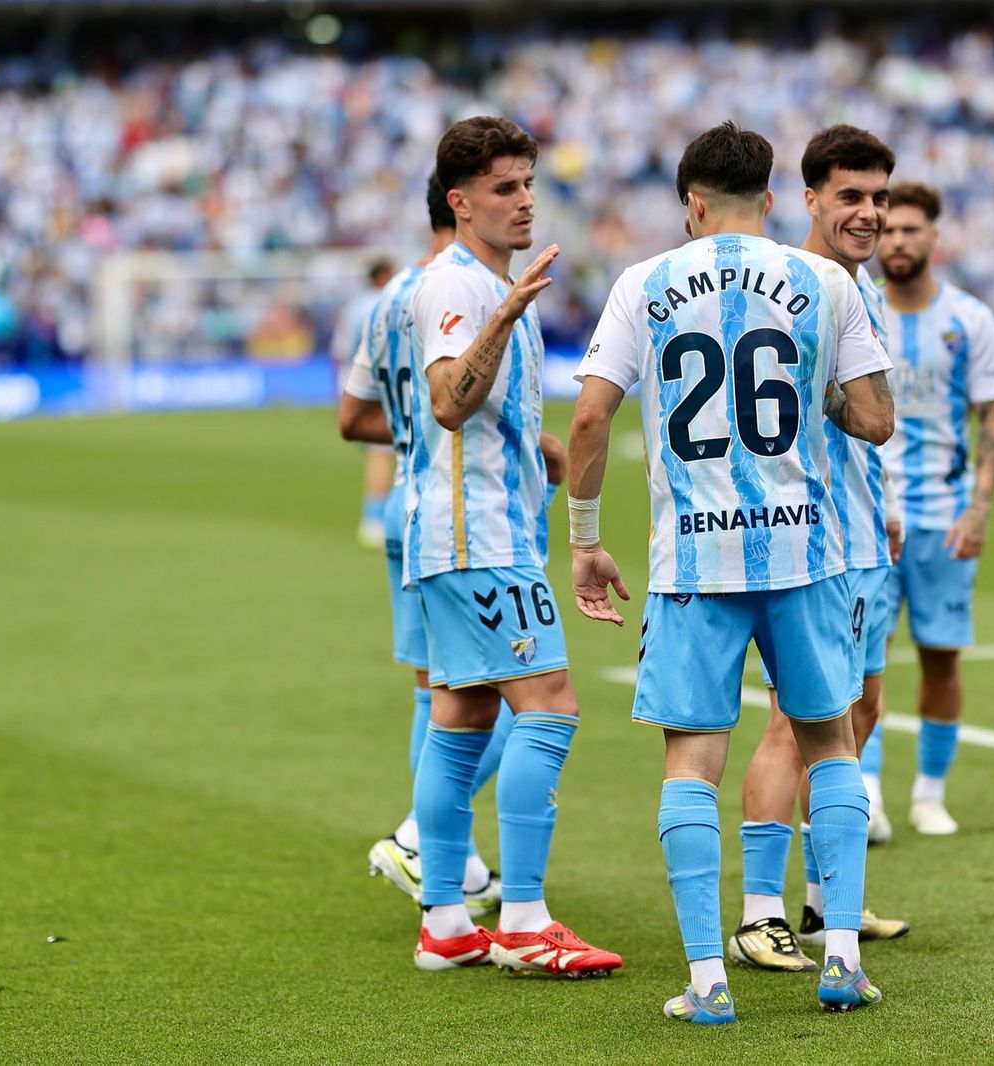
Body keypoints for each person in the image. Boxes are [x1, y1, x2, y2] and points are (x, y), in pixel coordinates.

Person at [566, 121, 895, 1023]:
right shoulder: (822, 280)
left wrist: (586, 538)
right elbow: (874, 418)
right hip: (804, 550)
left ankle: (708, 981)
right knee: (829, 739)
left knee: (691, 760)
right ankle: (841, 961)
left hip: (694, 558)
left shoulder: (645, 284)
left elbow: (590, 420)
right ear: (775, 201)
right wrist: (818, 388)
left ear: (693, 205)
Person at [403, 116, 620, 976]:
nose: (524, 200)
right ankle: (525, 918)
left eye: (528, 183)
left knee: (461, 719)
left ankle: (446, 925)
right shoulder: (461, 288)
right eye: (504, 188)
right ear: (460, 203)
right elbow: (450, 402)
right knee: (553, 707)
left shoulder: (495, 282)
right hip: (477, 539)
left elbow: (486, 420)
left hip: (471, 533)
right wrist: (507, 313)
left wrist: (546, 453)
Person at [728, 126, 910, 976]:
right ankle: (761, 913)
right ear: (808, 200)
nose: (869, 213)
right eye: (850, 196)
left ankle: (823, 895)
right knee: (796, 725)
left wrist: (887, 503)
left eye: (879, 197)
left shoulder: (857, 290)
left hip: (863, 532)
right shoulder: (801, 288)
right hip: (810, 544)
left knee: (860, 712)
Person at [877, 183, 994, 836]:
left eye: (911, 229)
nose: (898, 240)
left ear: (934, 235)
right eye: (888, 229)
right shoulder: (858, 309)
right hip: (868, 520)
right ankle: (866, 791)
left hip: (944, 516)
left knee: (941, 656)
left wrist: (981, 507)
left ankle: (930, 792)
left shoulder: (969, 320)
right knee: (861, 660)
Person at [333, 257, 398, 547]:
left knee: (380, 451)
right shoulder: (393, 301)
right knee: (385, 452)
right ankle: (375, 519)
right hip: (386, 380)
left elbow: (341, 349)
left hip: (355, 380)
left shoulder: (355, 306)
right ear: (383, 275)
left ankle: (380, 516)